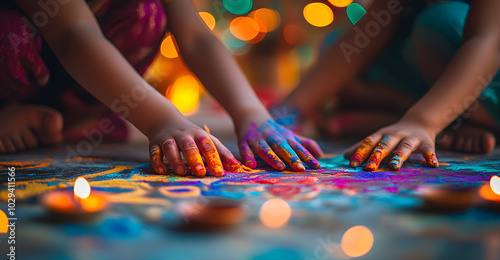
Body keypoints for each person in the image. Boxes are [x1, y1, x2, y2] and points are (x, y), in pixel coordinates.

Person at [0, 0, 323, 176]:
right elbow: (74, 36)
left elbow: (196, 38)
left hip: (85, 88)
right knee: (10, 35)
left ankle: (69, 118)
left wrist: (249, 112)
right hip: (22, 65)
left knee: (146, 10)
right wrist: (162, 121)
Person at [278, 0, 500, 171]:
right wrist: (287, 113)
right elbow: (371, 30)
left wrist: (422, 121)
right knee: (335, 47)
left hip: (481, 69)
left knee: (439, 25)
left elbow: (488, 42)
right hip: (427, 75)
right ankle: (438, 126)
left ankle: (431, 125)